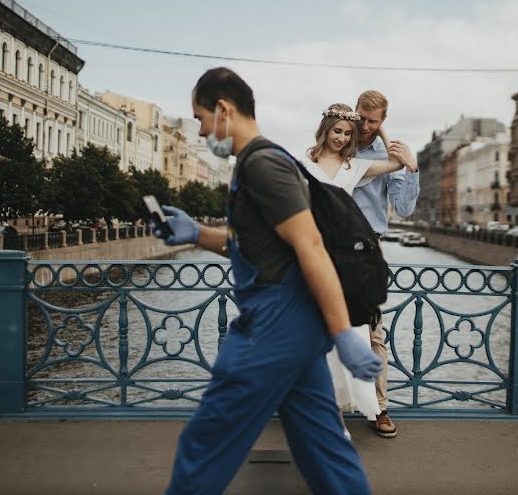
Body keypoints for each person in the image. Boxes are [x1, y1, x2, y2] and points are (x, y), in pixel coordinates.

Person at [154, 67, 381, 495]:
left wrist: (344, 335)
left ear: (224, 110)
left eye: (202, 119)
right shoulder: (259, 163)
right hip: (295, 329)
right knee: (325, 451)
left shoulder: (263, 166)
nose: (202, 133)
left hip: (272, 328)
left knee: (203, 446)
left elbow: (310, 246)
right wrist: (196, 234)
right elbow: (260, 248)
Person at [299, 103, 408, 433]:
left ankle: (370, 406)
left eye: (348, 133)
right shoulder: (304, 162)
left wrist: (382, 130)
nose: (342, 138)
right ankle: (325, 410)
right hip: (313, 254)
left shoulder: (353, 166)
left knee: (357, 333)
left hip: (345, 259)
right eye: (337, 131)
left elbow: (394, 163)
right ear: (326, 129)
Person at [352, 89, 420, 439]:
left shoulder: (389, 152)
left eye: (372, 121)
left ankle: (380, 408)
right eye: (360, 117)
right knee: (319, 326)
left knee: (372, 332)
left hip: (366, 250)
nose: (364, 126)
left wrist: (411, 167)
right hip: (328, 248)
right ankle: (318, 407)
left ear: (382, 121)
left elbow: (404, 208)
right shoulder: (339, 141)